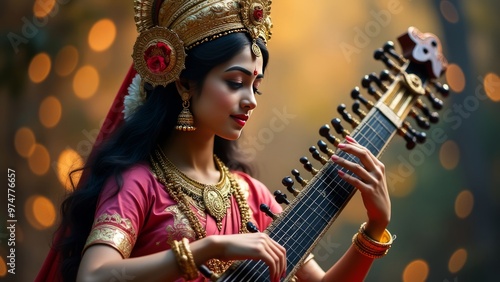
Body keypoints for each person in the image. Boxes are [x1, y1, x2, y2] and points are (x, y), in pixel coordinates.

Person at [36, 0, 392, 281]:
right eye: (235, 82)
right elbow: (94, 276)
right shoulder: (138, 184)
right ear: (185, 84)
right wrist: (209, 248)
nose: (251, 100)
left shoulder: (253, 197)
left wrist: (375, 228)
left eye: (256, 86)